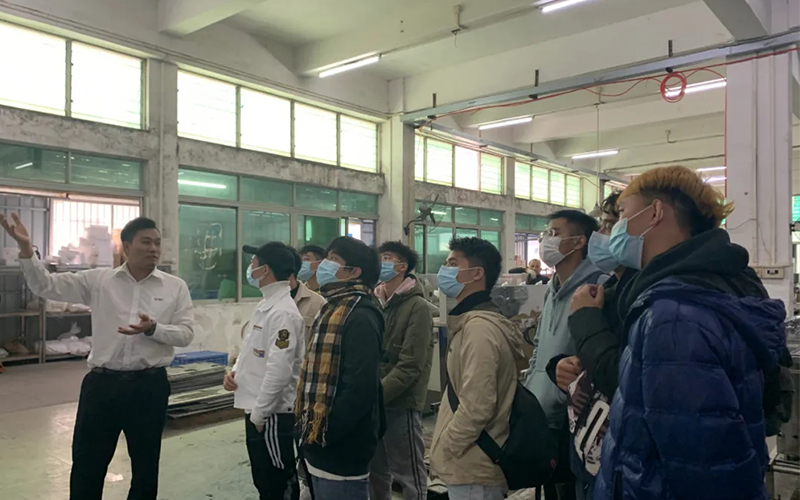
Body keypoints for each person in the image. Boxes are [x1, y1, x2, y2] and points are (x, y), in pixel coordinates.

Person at [594, 166, 786, 500]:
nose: (614, 230)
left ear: (654, 213)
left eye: (622, 214)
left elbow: (706, 469)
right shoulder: (724, 283)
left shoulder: (674, 316)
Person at [0, 214, 194, 500]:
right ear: (126, 247)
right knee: (87, 465)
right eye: (146, 242)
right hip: (103, 387)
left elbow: (186, 334)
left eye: (157, 243)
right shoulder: (99, 281)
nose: (154, 249)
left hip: (149, 388)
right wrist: (27, 249)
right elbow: (45, 286)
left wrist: (154, 329)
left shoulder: (175, 287)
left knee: (145, 466)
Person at [547, 192, 635, 500]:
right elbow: (581, 358)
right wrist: (557, 366)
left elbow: (621, 377)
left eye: (612, 224)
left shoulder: (645, 299)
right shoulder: (607, 291)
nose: (602, 234)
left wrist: (585, 317)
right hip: (588, 446)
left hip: (621, 456)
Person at [430, 237, 525, 500]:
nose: (445, 270)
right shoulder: (470, 322)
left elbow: (477, 405)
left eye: (453, 263)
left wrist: (448, 446)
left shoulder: (479, 329)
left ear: (476, 274)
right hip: (469, 463)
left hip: (474, 466)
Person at [295, 236, 385, 500]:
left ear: (354, 272)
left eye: (333, 260)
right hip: (318, 440)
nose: (324, 265)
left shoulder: (361, 315)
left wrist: (329, 431)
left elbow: (360, 386)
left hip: (341, 445)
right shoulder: (332, 308)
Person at [524, 210, 604, 500]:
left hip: (574, 420)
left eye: (555, 233)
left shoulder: (597, 287)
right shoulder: (552, 288)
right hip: (543, 414)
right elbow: (540, 347)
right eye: (546, 233)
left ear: (579, 241)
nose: (546, 240)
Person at [224, 242, 306, 500]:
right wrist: (235, 373)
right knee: (264, 479)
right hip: (257, 410)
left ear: (265, 269)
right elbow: (252, 349)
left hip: (271, 414)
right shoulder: (266, 305)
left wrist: (260, 415)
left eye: (254, 262)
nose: (250, 267)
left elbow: (280, 370)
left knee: (278, 482)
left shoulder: (283, 313)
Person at [369, 241, 434, 500]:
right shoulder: (375, 301)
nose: (381, 263)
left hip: (401, 402)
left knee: (408, 473)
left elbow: (410, 365)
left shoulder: (417, 307)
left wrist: (377, 395)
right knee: (376, 470)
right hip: (373, 401)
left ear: (402, 266)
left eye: (387, 258)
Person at [288, 246, 326, 346]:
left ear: (319, 264)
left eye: (306, 259)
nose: (301, 264)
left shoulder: (322, 300)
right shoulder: (293, 292)